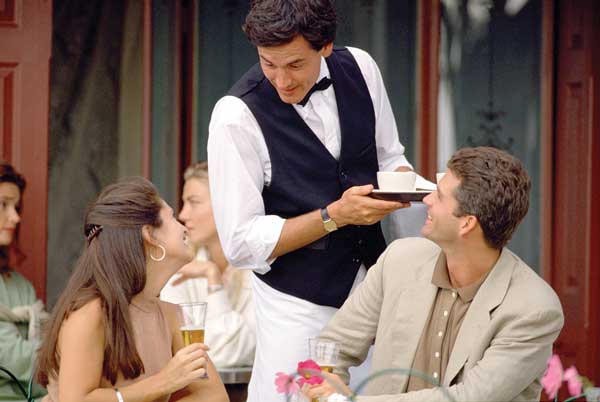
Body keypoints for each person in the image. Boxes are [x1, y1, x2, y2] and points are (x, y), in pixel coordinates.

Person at [207, 1, 416, 400]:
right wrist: (333, 216)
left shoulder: (361, 68)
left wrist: (402, 186)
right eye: (269, 64)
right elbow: (240, 243)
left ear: (325, 46)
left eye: (295, 65)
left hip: (372, 292)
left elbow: (390, 156)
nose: (281, 80)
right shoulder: (235, 118)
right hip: (295, 305)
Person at [304, 147, 564, 402]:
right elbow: (330, 350)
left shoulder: (534, 309)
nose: (426, 199)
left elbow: (469, 398)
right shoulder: (399, 261)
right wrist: (325, 389)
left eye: (438, 196)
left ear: (467, 223)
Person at [36, 177, 228, 402]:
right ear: (150, 235)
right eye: (172, 217)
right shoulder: (90, 313)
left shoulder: (173, 315)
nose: (183, 226)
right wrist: (162, 382)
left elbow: (214, 396)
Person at [161, 162, 255, 368]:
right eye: (184, 203)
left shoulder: (259, 268)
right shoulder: (180, 265)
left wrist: (213, 279)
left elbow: (231, 352)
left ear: (226, 204)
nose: (183, 215)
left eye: (193, 202)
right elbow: (174, 349)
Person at [0, 162, 48, 401]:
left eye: (16, 206)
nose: (15, 217)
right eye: (3, 204)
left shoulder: (20, 285)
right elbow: (8, 355)